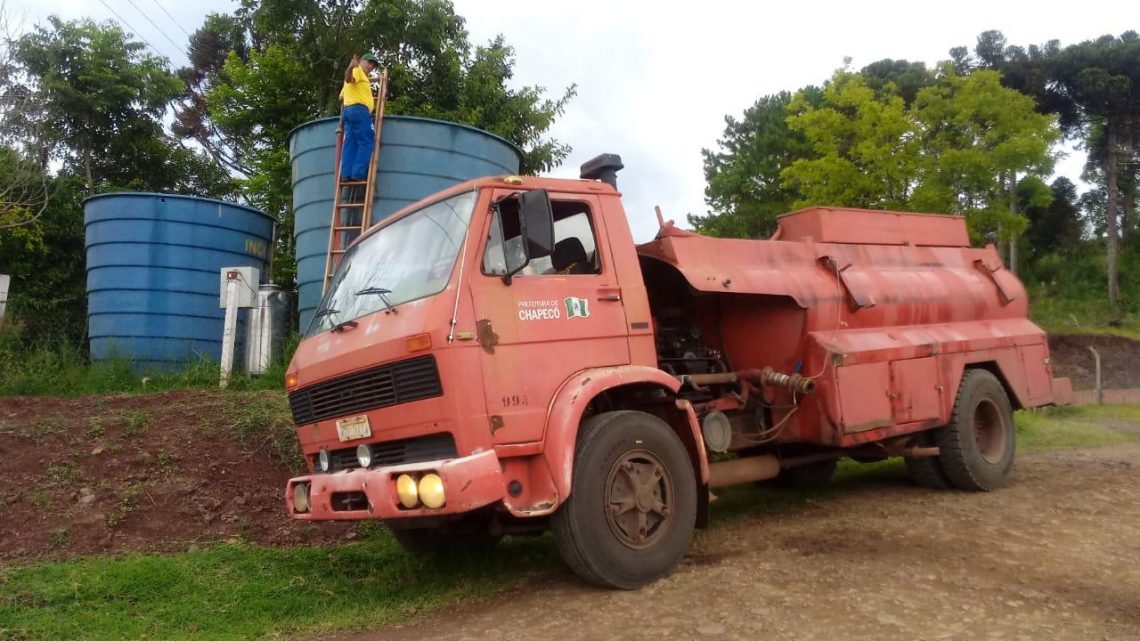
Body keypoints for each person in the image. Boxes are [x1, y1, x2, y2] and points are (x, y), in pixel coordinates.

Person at [339, 53, 380, 182]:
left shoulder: (359, 78)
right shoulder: (358, 71)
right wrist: (351, 67)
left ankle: (346, 174)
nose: (371, 66)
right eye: (369, 62)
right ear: (361, 61)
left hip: (348, 110)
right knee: (367, 143)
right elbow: (348, 78)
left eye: (373, 65)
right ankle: (357, 173)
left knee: (350, 143)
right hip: (359, 111)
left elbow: (341, 97)